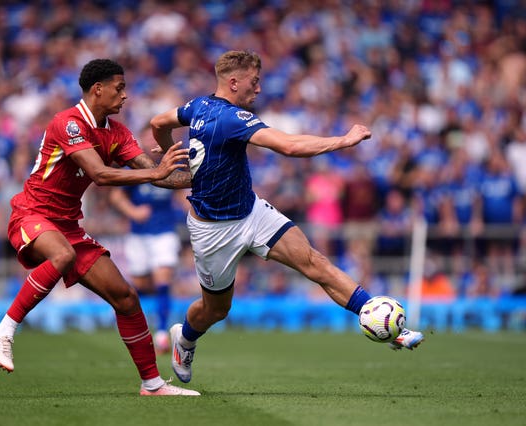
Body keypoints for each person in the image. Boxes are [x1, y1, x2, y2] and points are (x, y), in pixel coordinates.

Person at [149, 50, 425, 384]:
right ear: (233, 82)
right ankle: (186, 338)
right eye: (254, 81)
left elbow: (158, 123)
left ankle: (381, 319)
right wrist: (343, 140)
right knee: (215, 310)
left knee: (313, 262)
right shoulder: (231, 118)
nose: (259, 89)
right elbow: (290, 147)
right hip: (212, 230)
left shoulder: (196, 106)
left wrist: (168, 154)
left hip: (250, 212)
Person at [0, 59, 199, 396]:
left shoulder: (117, 132)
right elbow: (100, 174)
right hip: (32, 213)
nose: (125, 95)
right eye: (120, 87)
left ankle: (152, 384)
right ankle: (4, 331)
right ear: (98, 89)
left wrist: (201, 174)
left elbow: (159, 175)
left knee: (126, 297)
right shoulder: (68, 123)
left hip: (67, 225)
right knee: (62, 255)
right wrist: (156, 173)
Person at [109, 126, 188, 354]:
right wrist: (133, 212)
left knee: (163, 278)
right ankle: (139, 328)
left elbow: (181, 194)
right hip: (139, 234)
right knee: (141, 284)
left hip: (164, 232)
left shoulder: (172, 166)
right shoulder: (133, 167)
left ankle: (162, 332)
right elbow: (116, 195)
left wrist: (193, 210)